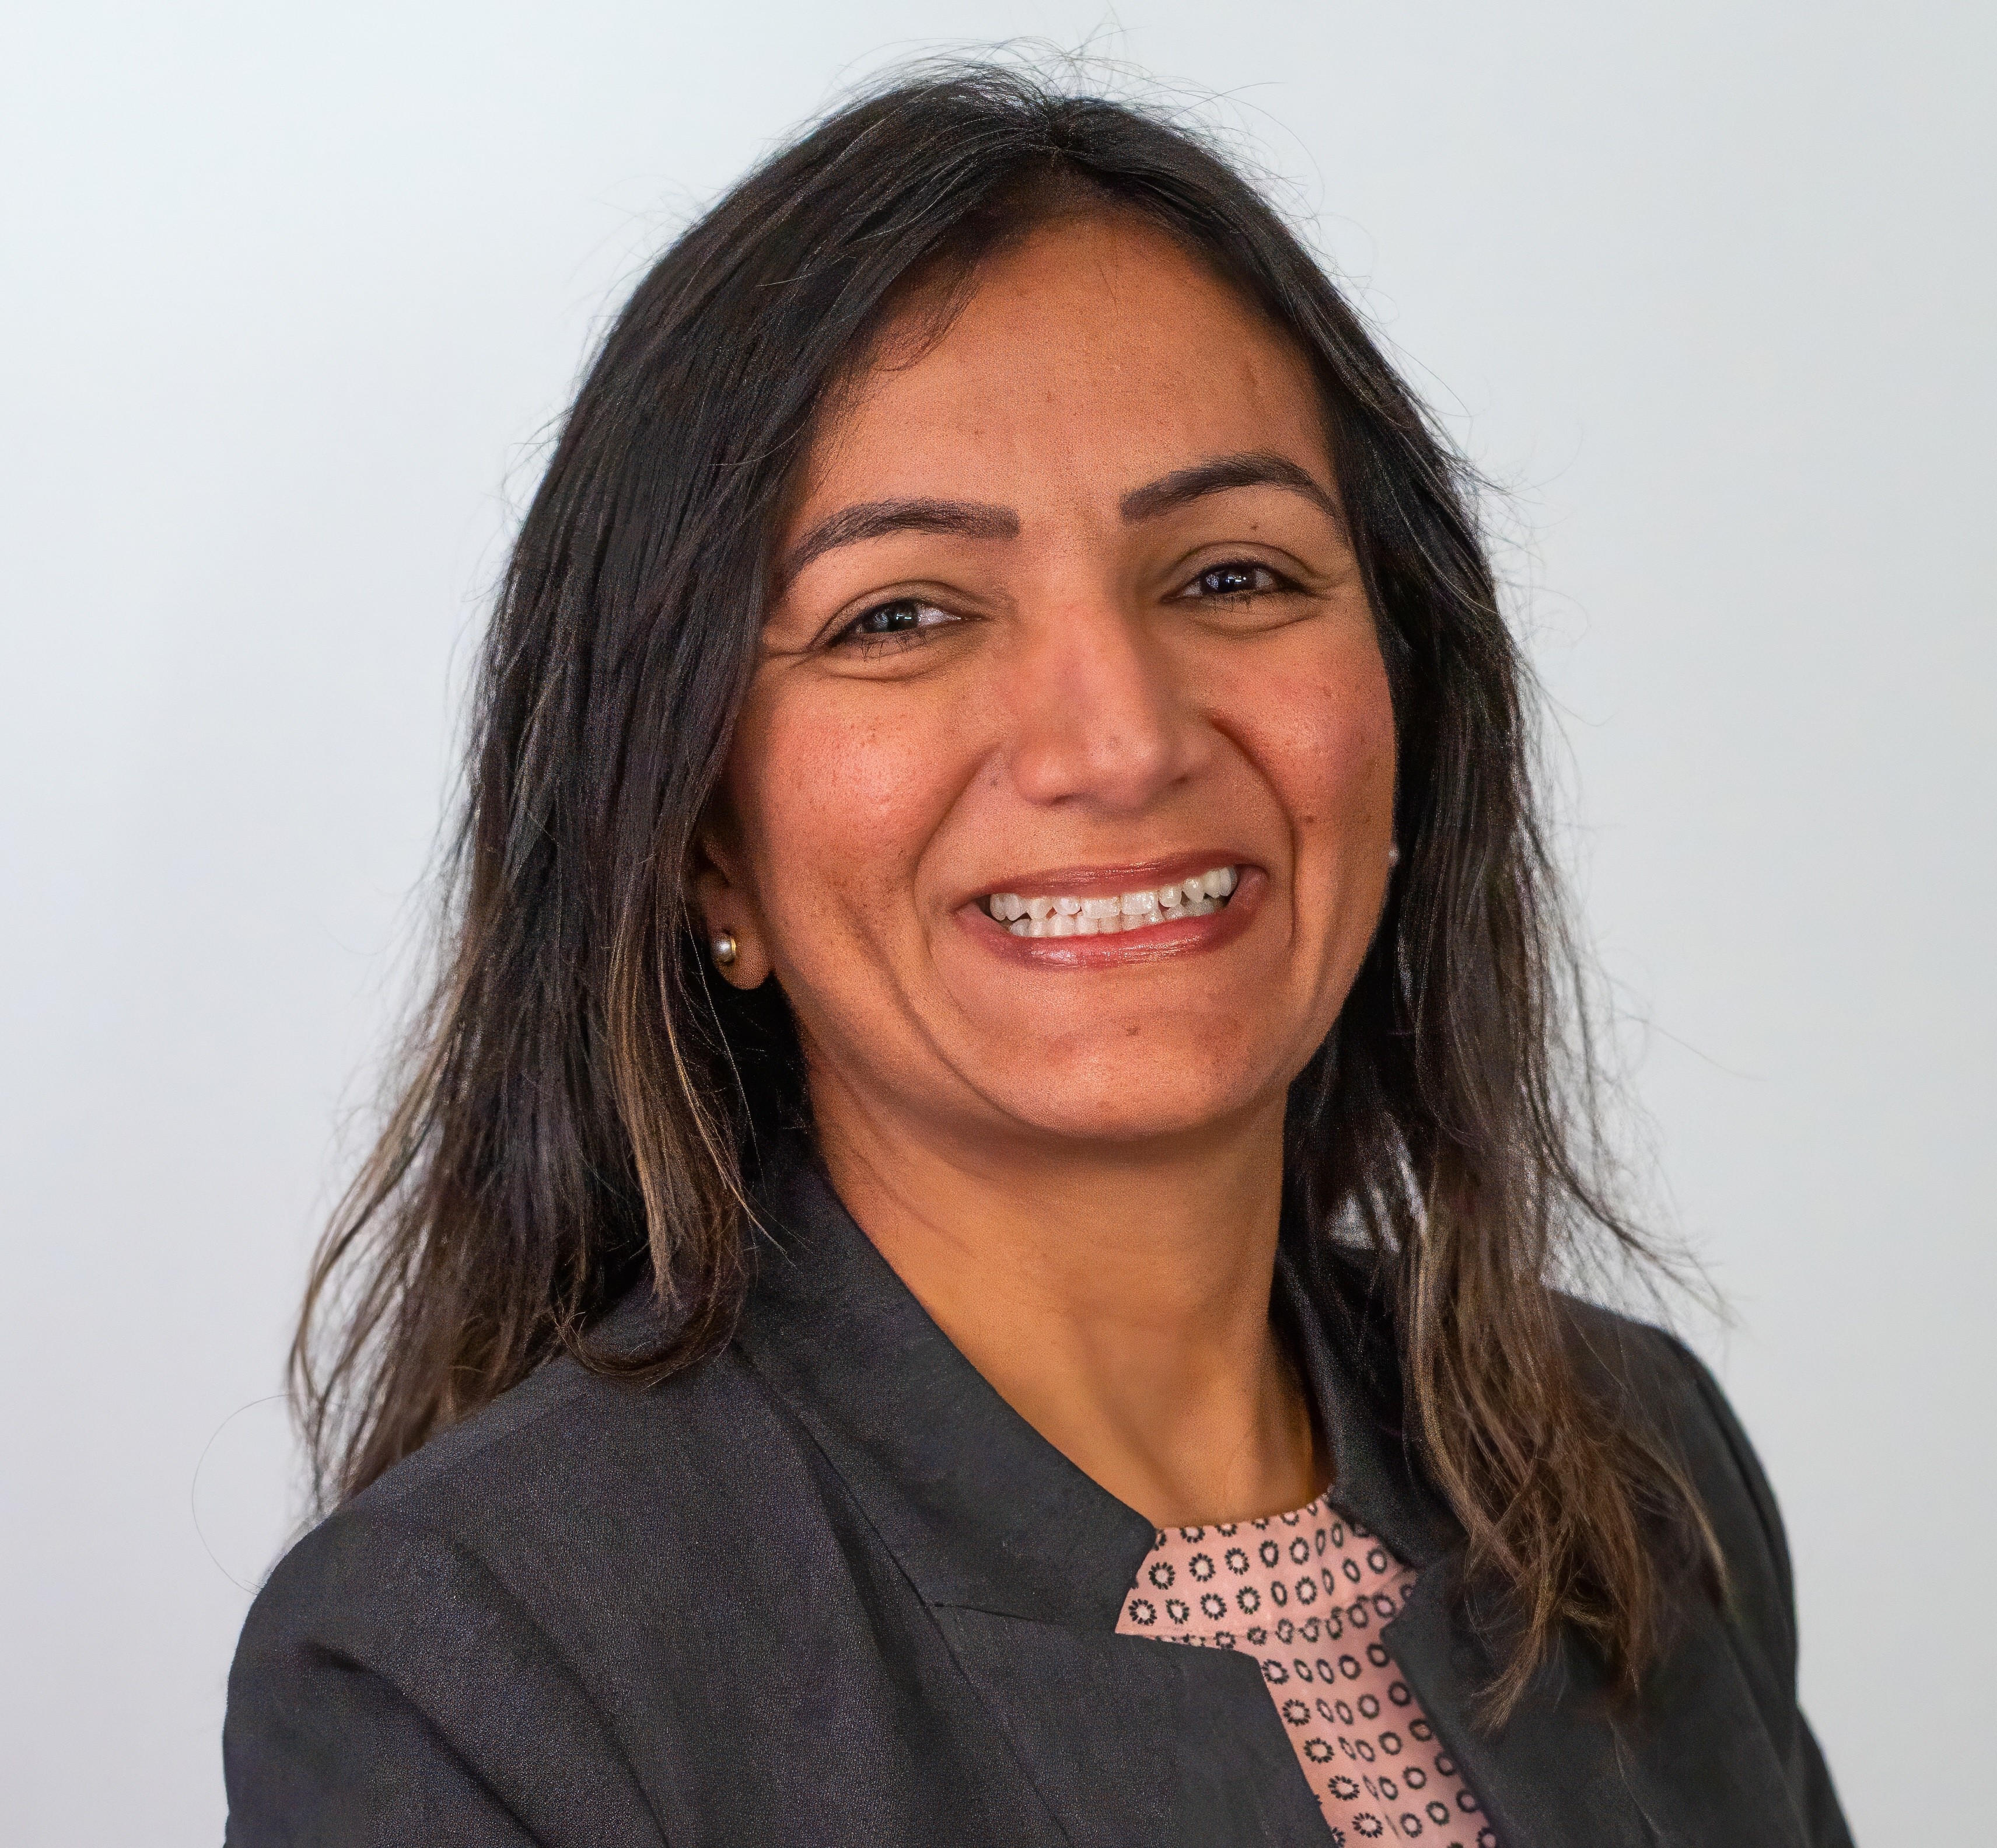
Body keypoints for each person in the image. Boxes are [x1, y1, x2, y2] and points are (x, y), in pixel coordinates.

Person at [223, 67, 1852, 1848]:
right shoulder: (481, 1659)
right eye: (903, 614)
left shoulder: (1632, 1464)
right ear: (701, 839)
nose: (1122, 742)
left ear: (1409, 698)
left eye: (1233, 577)